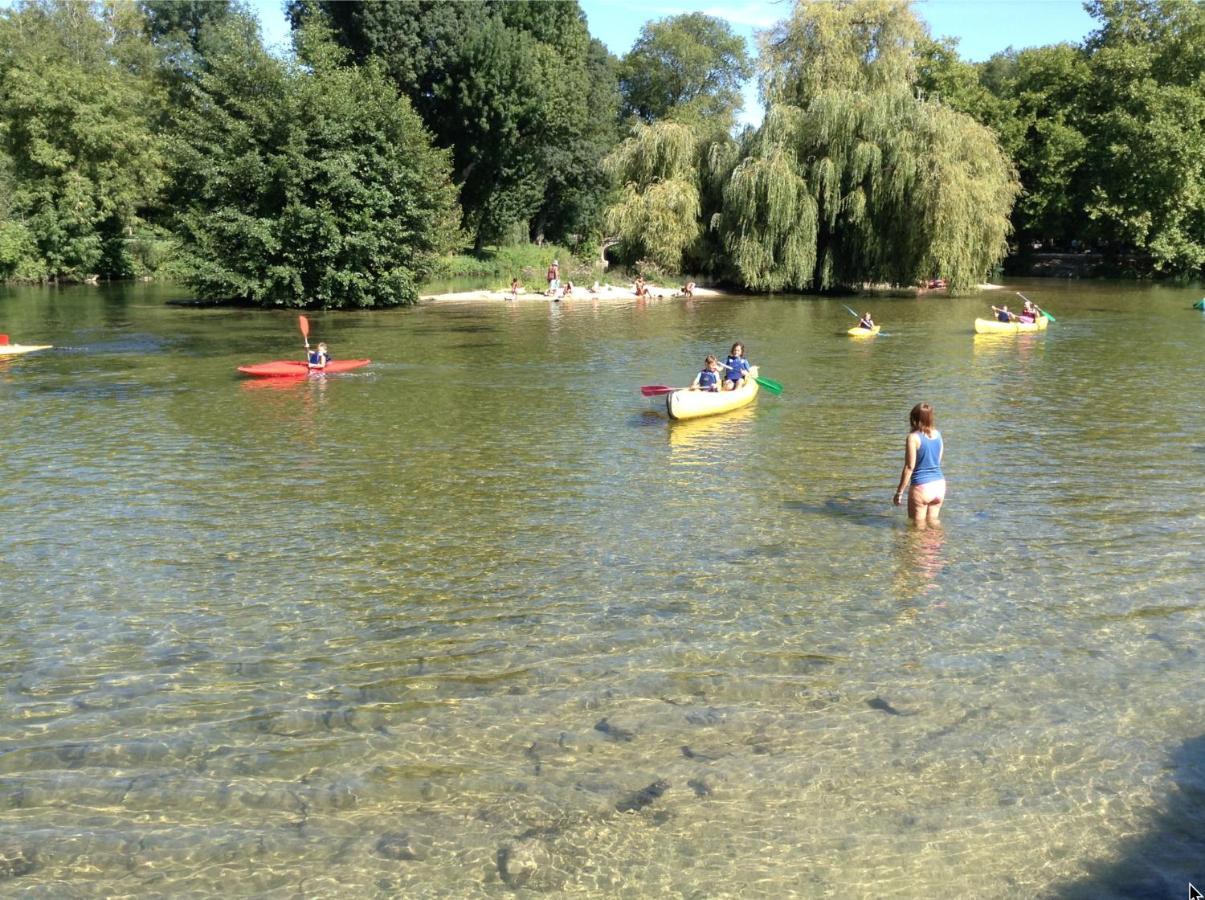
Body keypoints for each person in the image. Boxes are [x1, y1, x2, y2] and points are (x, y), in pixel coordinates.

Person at [893, 402, 945, 528]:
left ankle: (913, 548)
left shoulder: (913, 438)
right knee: (933, 524)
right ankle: (936, 547)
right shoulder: (938, 435)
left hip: (921, 487)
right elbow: (937, 461)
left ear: (914, 418)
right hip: (939, 485)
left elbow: (909, 467)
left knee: (916, 529)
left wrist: (899, 492)